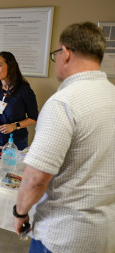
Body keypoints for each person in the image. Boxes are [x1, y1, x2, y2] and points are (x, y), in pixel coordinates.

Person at [13, 22, 115, 253]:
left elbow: (36, 178)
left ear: (66, 53)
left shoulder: (63, 102)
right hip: (105, 231)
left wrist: (19, 212)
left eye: (55, 54)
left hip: (64, 235)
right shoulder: (112, 95)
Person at [0, 51, 38, 150]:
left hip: (15, 141)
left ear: (10, 66)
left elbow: (33, 117)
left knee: (13, 165)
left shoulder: (24, 90)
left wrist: (14, 126)